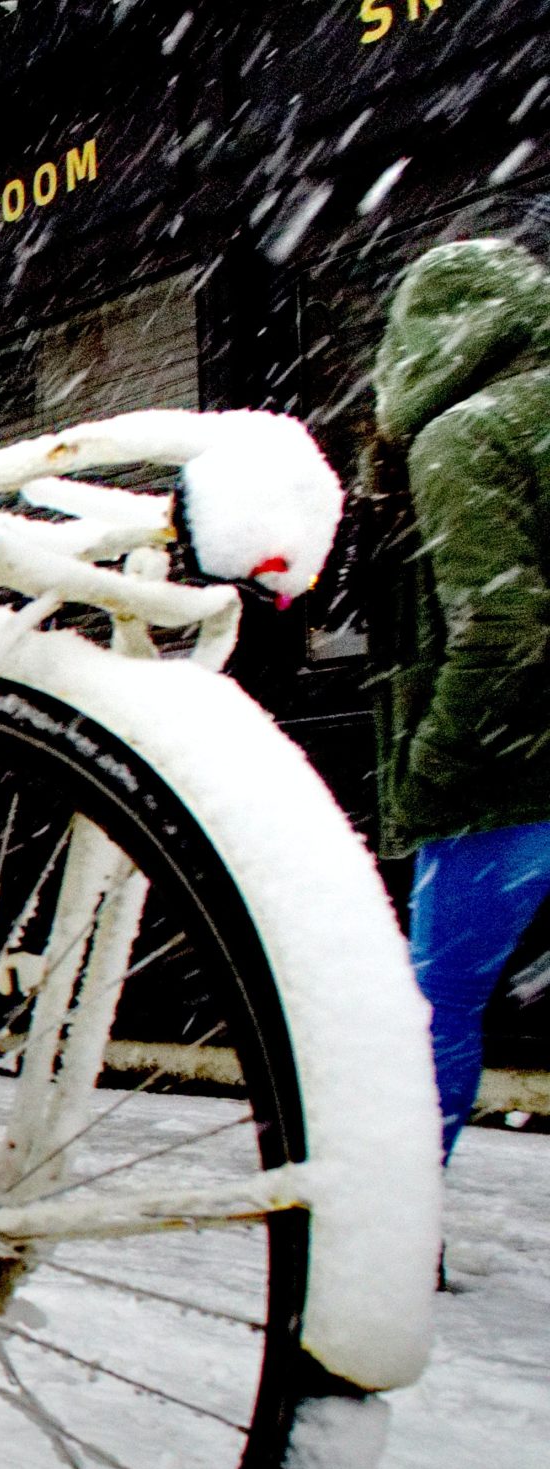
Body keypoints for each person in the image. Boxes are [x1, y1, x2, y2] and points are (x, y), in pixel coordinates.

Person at [370, 235, 550, 1162]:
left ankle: (400, 1226)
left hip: (508, 785)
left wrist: (434, 763)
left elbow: (499, 625)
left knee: (434, 1008)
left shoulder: (466, 434)